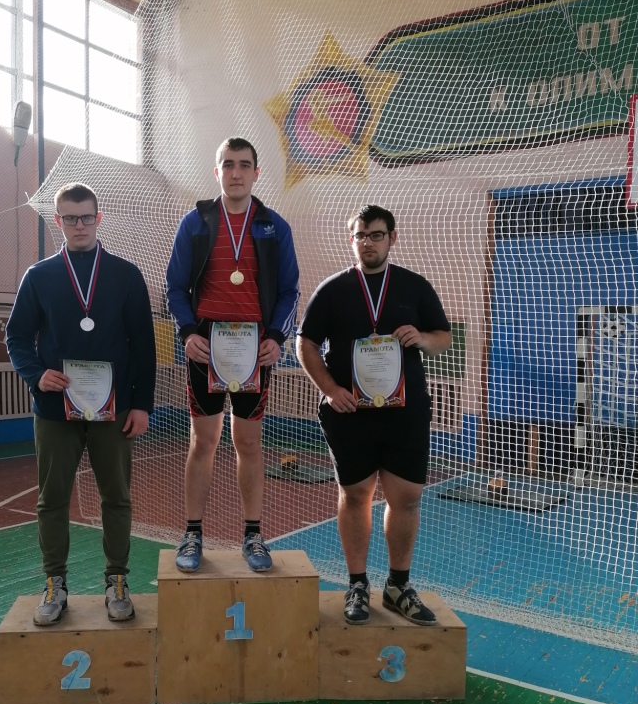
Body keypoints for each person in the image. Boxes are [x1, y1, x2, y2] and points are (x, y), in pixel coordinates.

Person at [7, 182, 156, 626]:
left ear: (98, 218)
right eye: (70, 218)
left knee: (117, 497)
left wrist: (142, 404)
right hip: (56, 409)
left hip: (115, 409)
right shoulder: (39, 276)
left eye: (86, 216)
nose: (79, 225)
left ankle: (117, 580)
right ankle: (55, 583)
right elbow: (17, 338)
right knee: (52, 499)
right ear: (58, 221)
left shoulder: (126, 275)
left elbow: (144, 346)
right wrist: (36, 375)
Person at [296, 205, 451, 625]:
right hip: (350, 413)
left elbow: (443, 338)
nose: (368, 242)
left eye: (376, 235)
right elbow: (305, 343)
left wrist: (422, 338)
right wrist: (330, 390)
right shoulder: (333, 289)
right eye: (361, 235)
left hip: (405, 412)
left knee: (407, 498)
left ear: (392, 238)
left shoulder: (415, 286)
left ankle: (398, 586)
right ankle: (357, 584)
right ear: (353, 240)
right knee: (355, 496)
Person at [166, 138, 299, 573]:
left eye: (244, 165)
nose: (236, 172)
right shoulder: (196, 223)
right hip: (205, 343)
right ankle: (192, 534)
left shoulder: (274, 227)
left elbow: (289, 291)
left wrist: (277, 336)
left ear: (256, 173)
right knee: (203, 441)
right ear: (217, 171)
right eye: (228, 164)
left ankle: (253, 535)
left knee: (249, 443)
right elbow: (175, 287)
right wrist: (187, 331)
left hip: (255, 348)